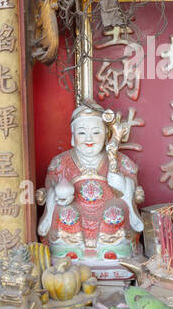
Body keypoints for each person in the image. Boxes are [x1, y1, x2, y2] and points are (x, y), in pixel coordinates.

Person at [37, 100, 142, 264]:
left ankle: (111, 249)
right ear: (72, 137)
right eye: (81, 133)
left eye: (96, 132)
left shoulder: (120, 161)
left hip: (107, 209)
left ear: (107, 135)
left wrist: (121, 183)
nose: (89, 139)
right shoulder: (60, 162)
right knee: (66, 213)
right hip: (74, 211)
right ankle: (70, 249)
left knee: (115, 212)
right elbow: (50, 185)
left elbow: (133, 187)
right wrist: (58, 193)